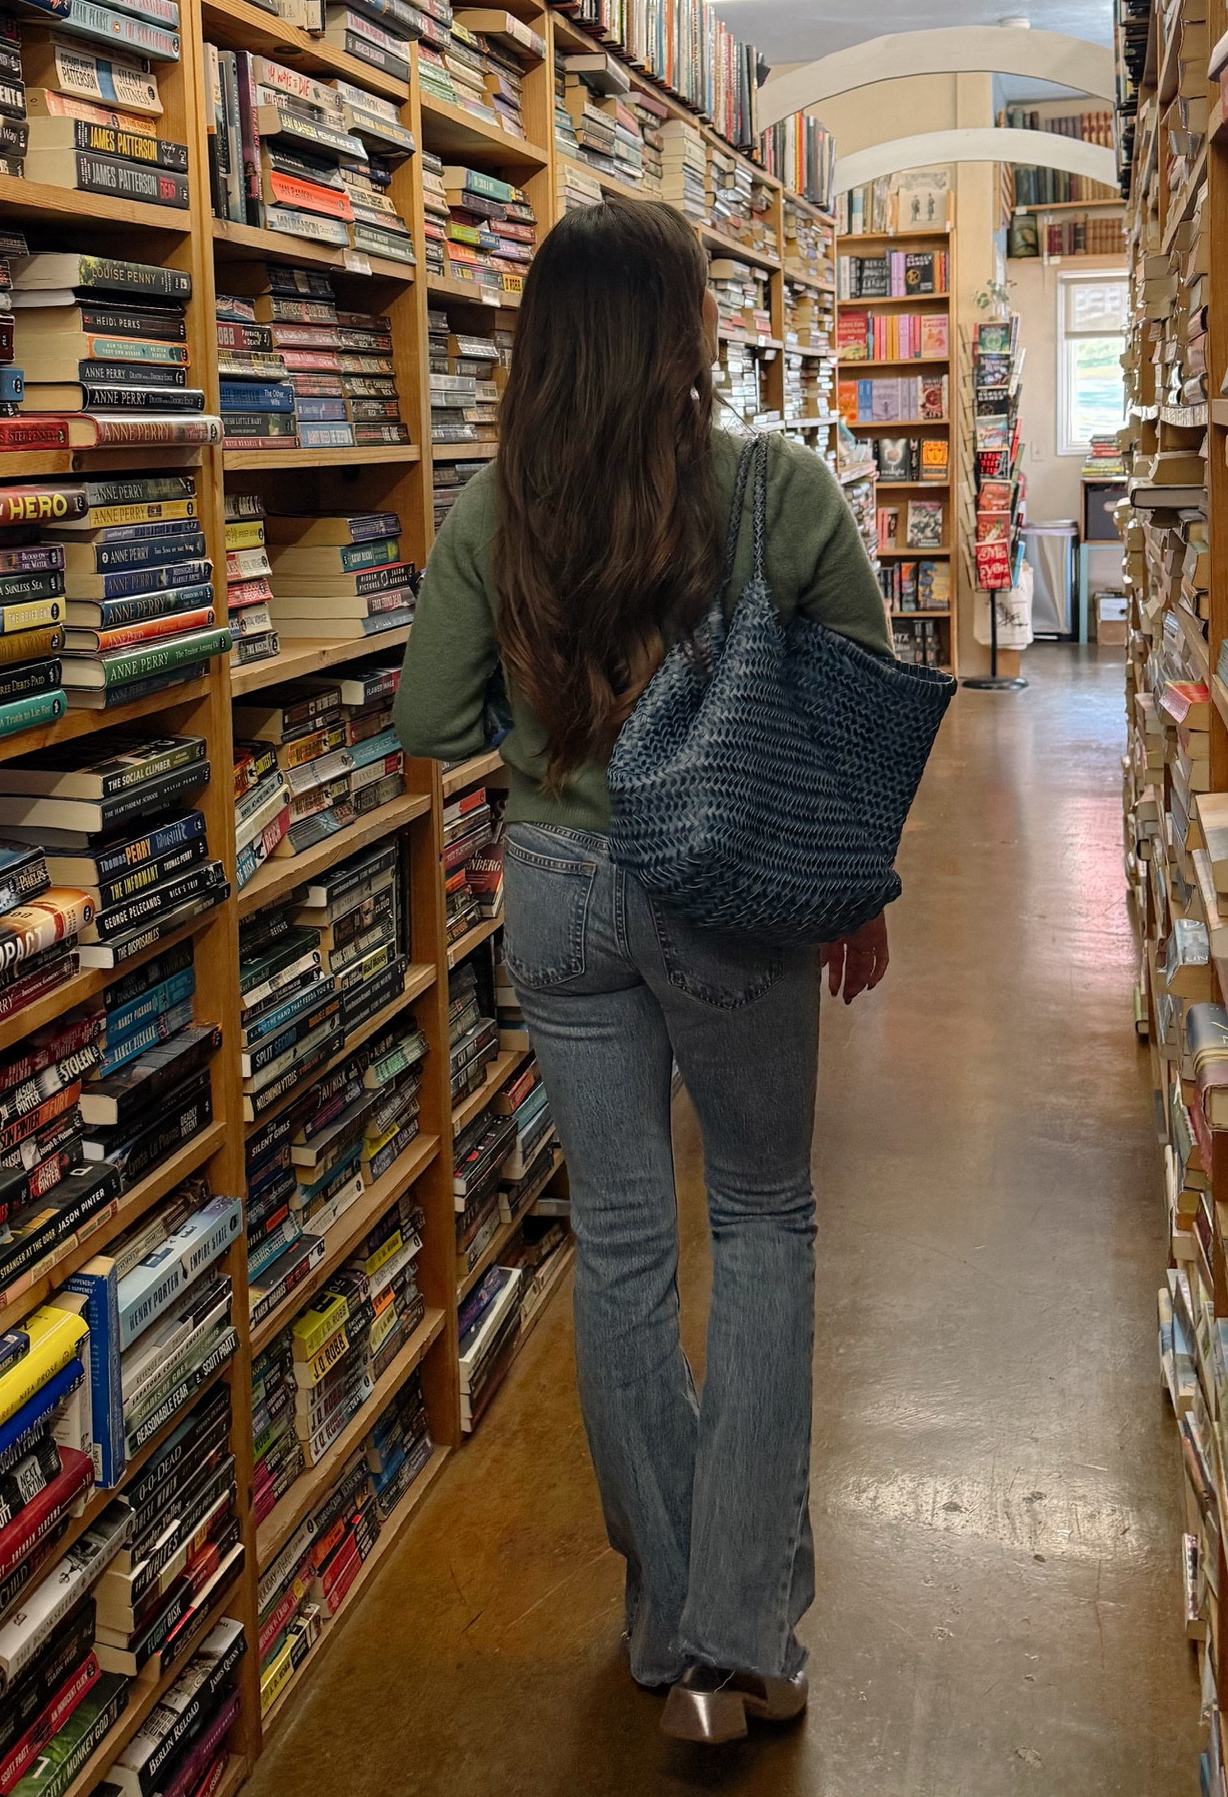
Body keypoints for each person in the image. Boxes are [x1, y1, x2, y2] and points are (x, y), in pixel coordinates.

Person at [392, 199, 896, 1748]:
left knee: (615, 1250)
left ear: (544, 348)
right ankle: (748, 1640)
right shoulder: (774, 489)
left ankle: (665, 1625)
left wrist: (549, 770)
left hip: (555, 891)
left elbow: (425, 716)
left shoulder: (497, 514)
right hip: (731, 892)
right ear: (684, 337)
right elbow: (868, 694)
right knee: (761, 1220)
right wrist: (850, 875)